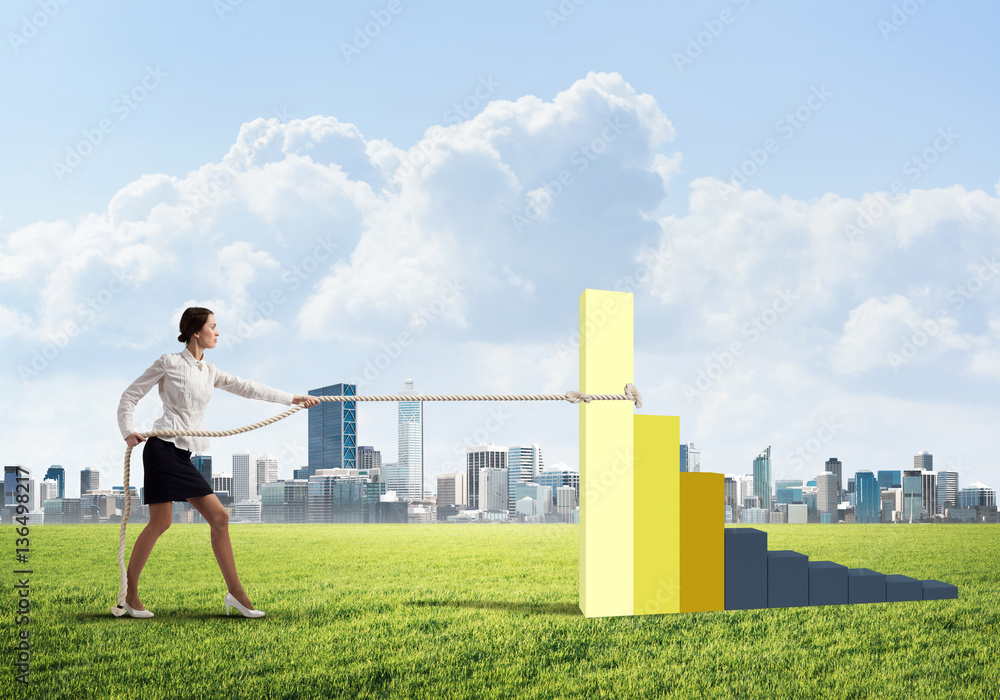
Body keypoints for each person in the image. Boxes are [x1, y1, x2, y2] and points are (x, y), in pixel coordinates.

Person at [116, 307, 320, 618]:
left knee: (220, 518)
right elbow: (130, 396)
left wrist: (293, 399)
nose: (218, 332)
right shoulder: (168, 362)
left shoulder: (210, 371)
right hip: (160, 450)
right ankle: (130, 595)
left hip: (183, 455)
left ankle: (236, 595)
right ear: (196, 331)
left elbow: (249, 388)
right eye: (213, 326)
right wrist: (128, 431)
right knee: (161, 522)